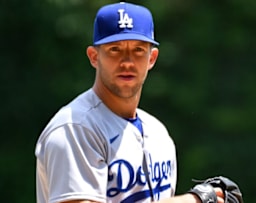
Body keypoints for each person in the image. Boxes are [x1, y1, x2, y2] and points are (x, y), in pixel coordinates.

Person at [35, 2, 227, 203]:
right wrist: (191, 201)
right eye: (115, 49)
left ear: (151, 58)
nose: (127, 61)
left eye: (138, 50)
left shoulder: (158, 133)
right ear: (94, 57)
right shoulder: (76, 128)